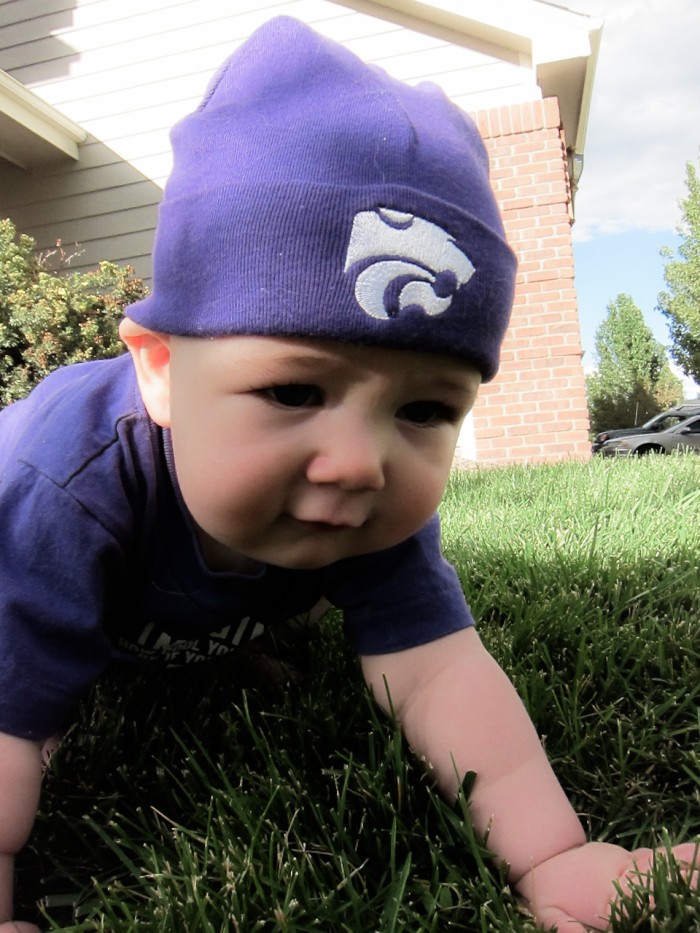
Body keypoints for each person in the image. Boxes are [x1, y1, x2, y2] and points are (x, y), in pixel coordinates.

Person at [0, 17, 696, 932]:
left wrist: (554, 854)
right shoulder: (62, 485)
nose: (362, 461)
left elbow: (439, 672)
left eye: (425, 410)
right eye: (293, 388)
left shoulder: (367, 503)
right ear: (162, 369)